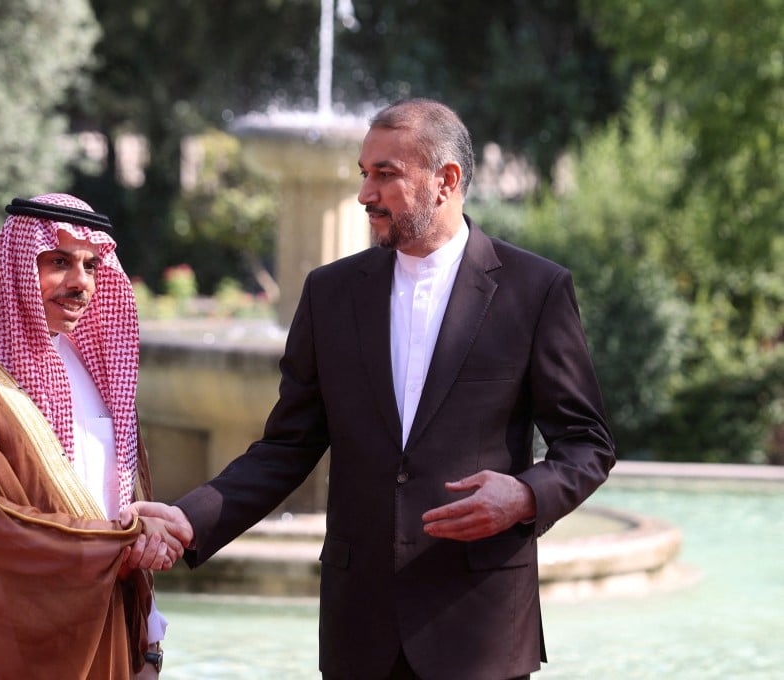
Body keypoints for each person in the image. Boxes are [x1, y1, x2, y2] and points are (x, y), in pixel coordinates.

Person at [132, 99, 616, 680]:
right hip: (359, 628)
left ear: (446, 180)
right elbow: (287, 447)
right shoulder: (329, 294)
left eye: (386, 174)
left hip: (478, 626)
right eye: (364, 173)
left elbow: (587, 442)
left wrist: (525, 496)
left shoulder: (534, 289)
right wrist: (190, 521)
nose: (366, 193)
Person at [0, 193, 188, 679]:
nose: (80, 283)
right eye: (58, 262)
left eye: (91, 265)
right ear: (16, 267)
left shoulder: (101, 376)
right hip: (11, 653)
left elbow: (122, 507)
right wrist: (119, 540)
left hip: (113, 645)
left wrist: (151, 643)